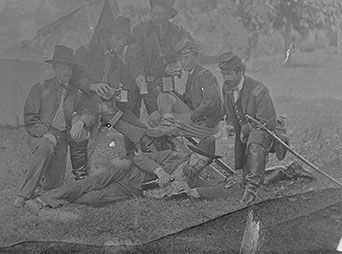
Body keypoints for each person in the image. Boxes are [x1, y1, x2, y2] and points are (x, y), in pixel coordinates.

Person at [22, 139, 225, 214]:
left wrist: (191, 191)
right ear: (191, 154)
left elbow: (220, 191)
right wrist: (159, 170)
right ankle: (41, 201)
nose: (197, 164)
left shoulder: (194, 180)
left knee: (95, 199)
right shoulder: (173, 156)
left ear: (206, 165)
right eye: (197, 158)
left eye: (203, 163)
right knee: (90, 183)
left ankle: (57, 196)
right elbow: (141, 158)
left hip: (132, 190)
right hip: (126, 168)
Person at [218, 52, 314, 206]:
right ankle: (291, 170)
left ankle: (251, 191)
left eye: (228, 74)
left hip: (266, 134)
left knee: (256, 139)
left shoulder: (259, 90)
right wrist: (230, 124)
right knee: (249, 178)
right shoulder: (227, 87)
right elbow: (229, 111)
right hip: (245, 137)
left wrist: (247, 130)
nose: (225, 78)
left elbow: (265, 123)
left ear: (240, 72)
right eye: (223, 74)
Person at [13, 45, 96, 208]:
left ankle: (40, 175)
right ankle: (23, 195)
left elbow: (89, 111)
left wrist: (80, 121)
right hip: (40, 135)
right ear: (54, 68)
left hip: (62, 138)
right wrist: (45, 133)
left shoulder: (75, 92)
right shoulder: (41, 87)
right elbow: (30, 118)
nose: (67, 72)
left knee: (53, 185)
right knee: (45, 149)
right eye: (63, 67)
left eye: (69, 68)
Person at [72, 16, 149, 156]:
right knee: (81, 136)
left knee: (141, 131)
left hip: (109, 114)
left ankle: (145, 162)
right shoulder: (86, 53)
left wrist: (118, 94)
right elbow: (72, 78)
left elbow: (129, 90)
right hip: (83, 107)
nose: (120, 43)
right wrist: (92, 86)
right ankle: (82, 176)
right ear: (108, 36)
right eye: (118, 38)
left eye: (124, 41)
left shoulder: (119, 64)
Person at [125, 0, 193, 115]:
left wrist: (178, 64)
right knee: (133, 114)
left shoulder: (177, 31)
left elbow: (190, 48)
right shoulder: (141, 30)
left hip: (164, 80)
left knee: (163, 113)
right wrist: (139, 76)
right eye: (154, 13)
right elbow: (133, 57)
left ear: (169, 16)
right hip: (139, 79)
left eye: (161, 14)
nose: (157, 17)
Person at [146, 38, 223, 145]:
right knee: (157, 110)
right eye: (181, 59)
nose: (183, 62)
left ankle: (167, 132)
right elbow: (188, 102)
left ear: (197, 58)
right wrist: (172, 90)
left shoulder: (205, 75)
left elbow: (210, 101)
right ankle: (167, 128)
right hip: (197, 117)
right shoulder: (193, 75)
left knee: (156, 118)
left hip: (206, 124)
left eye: (187, 57)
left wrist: (192, 116)